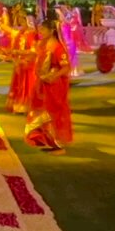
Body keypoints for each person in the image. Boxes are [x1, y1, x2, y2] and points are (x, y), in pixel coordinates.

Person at [25, 18, 72, 152]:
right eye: (40, 29)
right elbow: (34, 55)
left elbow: (66, 67)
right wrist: (13, 53)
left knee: (52, 113)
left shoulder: (57, 47)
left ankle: (57, 143)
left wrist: (53, 76)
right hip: (42, 84)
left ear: (51, 31)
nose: (40, 32)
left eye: (43, 29)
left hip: (54, 86)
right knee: (40, 110)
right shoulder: (43, 44)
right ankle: (44, 138)